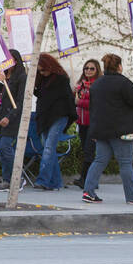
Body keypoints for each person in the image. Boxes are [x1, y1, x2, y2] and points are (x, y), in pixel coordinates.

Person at [82, 53, 133, 205]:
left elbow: (93, 109)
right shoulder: (123, 83)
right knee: (125, 163)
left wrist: (93, 131)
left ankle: (88, 192)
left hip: (101, 130)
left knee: (99, 160)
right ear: (119, 66)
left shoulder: (97, 84)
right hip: (121, 130)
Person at [30, 53, 77, 191]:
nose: (42, 73)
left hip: (58, 116)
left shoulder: (61, 79)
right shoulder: (42, 80)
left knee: (49, 148)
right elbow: (42, 96)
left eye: (43, 69)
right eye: (39, 71)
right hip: (45, 117)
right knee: (48, 149)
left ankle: (43, 180)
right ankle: (56, 182)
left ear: (49, 66)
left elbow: (65, 99)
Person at [0, 49, 27, 191]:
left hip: (12, 118)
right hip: (0, 117)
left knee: (5, 146)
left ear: (16, 61)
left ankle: (17, 178)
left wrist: (9, 116)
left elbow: (20, 101)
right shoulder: (3, 77)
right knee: (2, 148)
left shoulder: (21, 77)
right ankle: (7, 179)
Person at [74, 58, 100, 188]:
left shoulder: (98, 85)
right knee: (85, 150)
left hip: (93, 123)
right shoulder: (81, 85)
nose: (88, 71)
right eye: (86, 68)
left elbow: (96, 104)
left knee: (90, 152)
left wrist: (80, 102)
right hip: (82, 122)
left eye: (92, 68)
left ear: (97, 70)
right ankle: (90, 179)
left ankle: (85, 179)